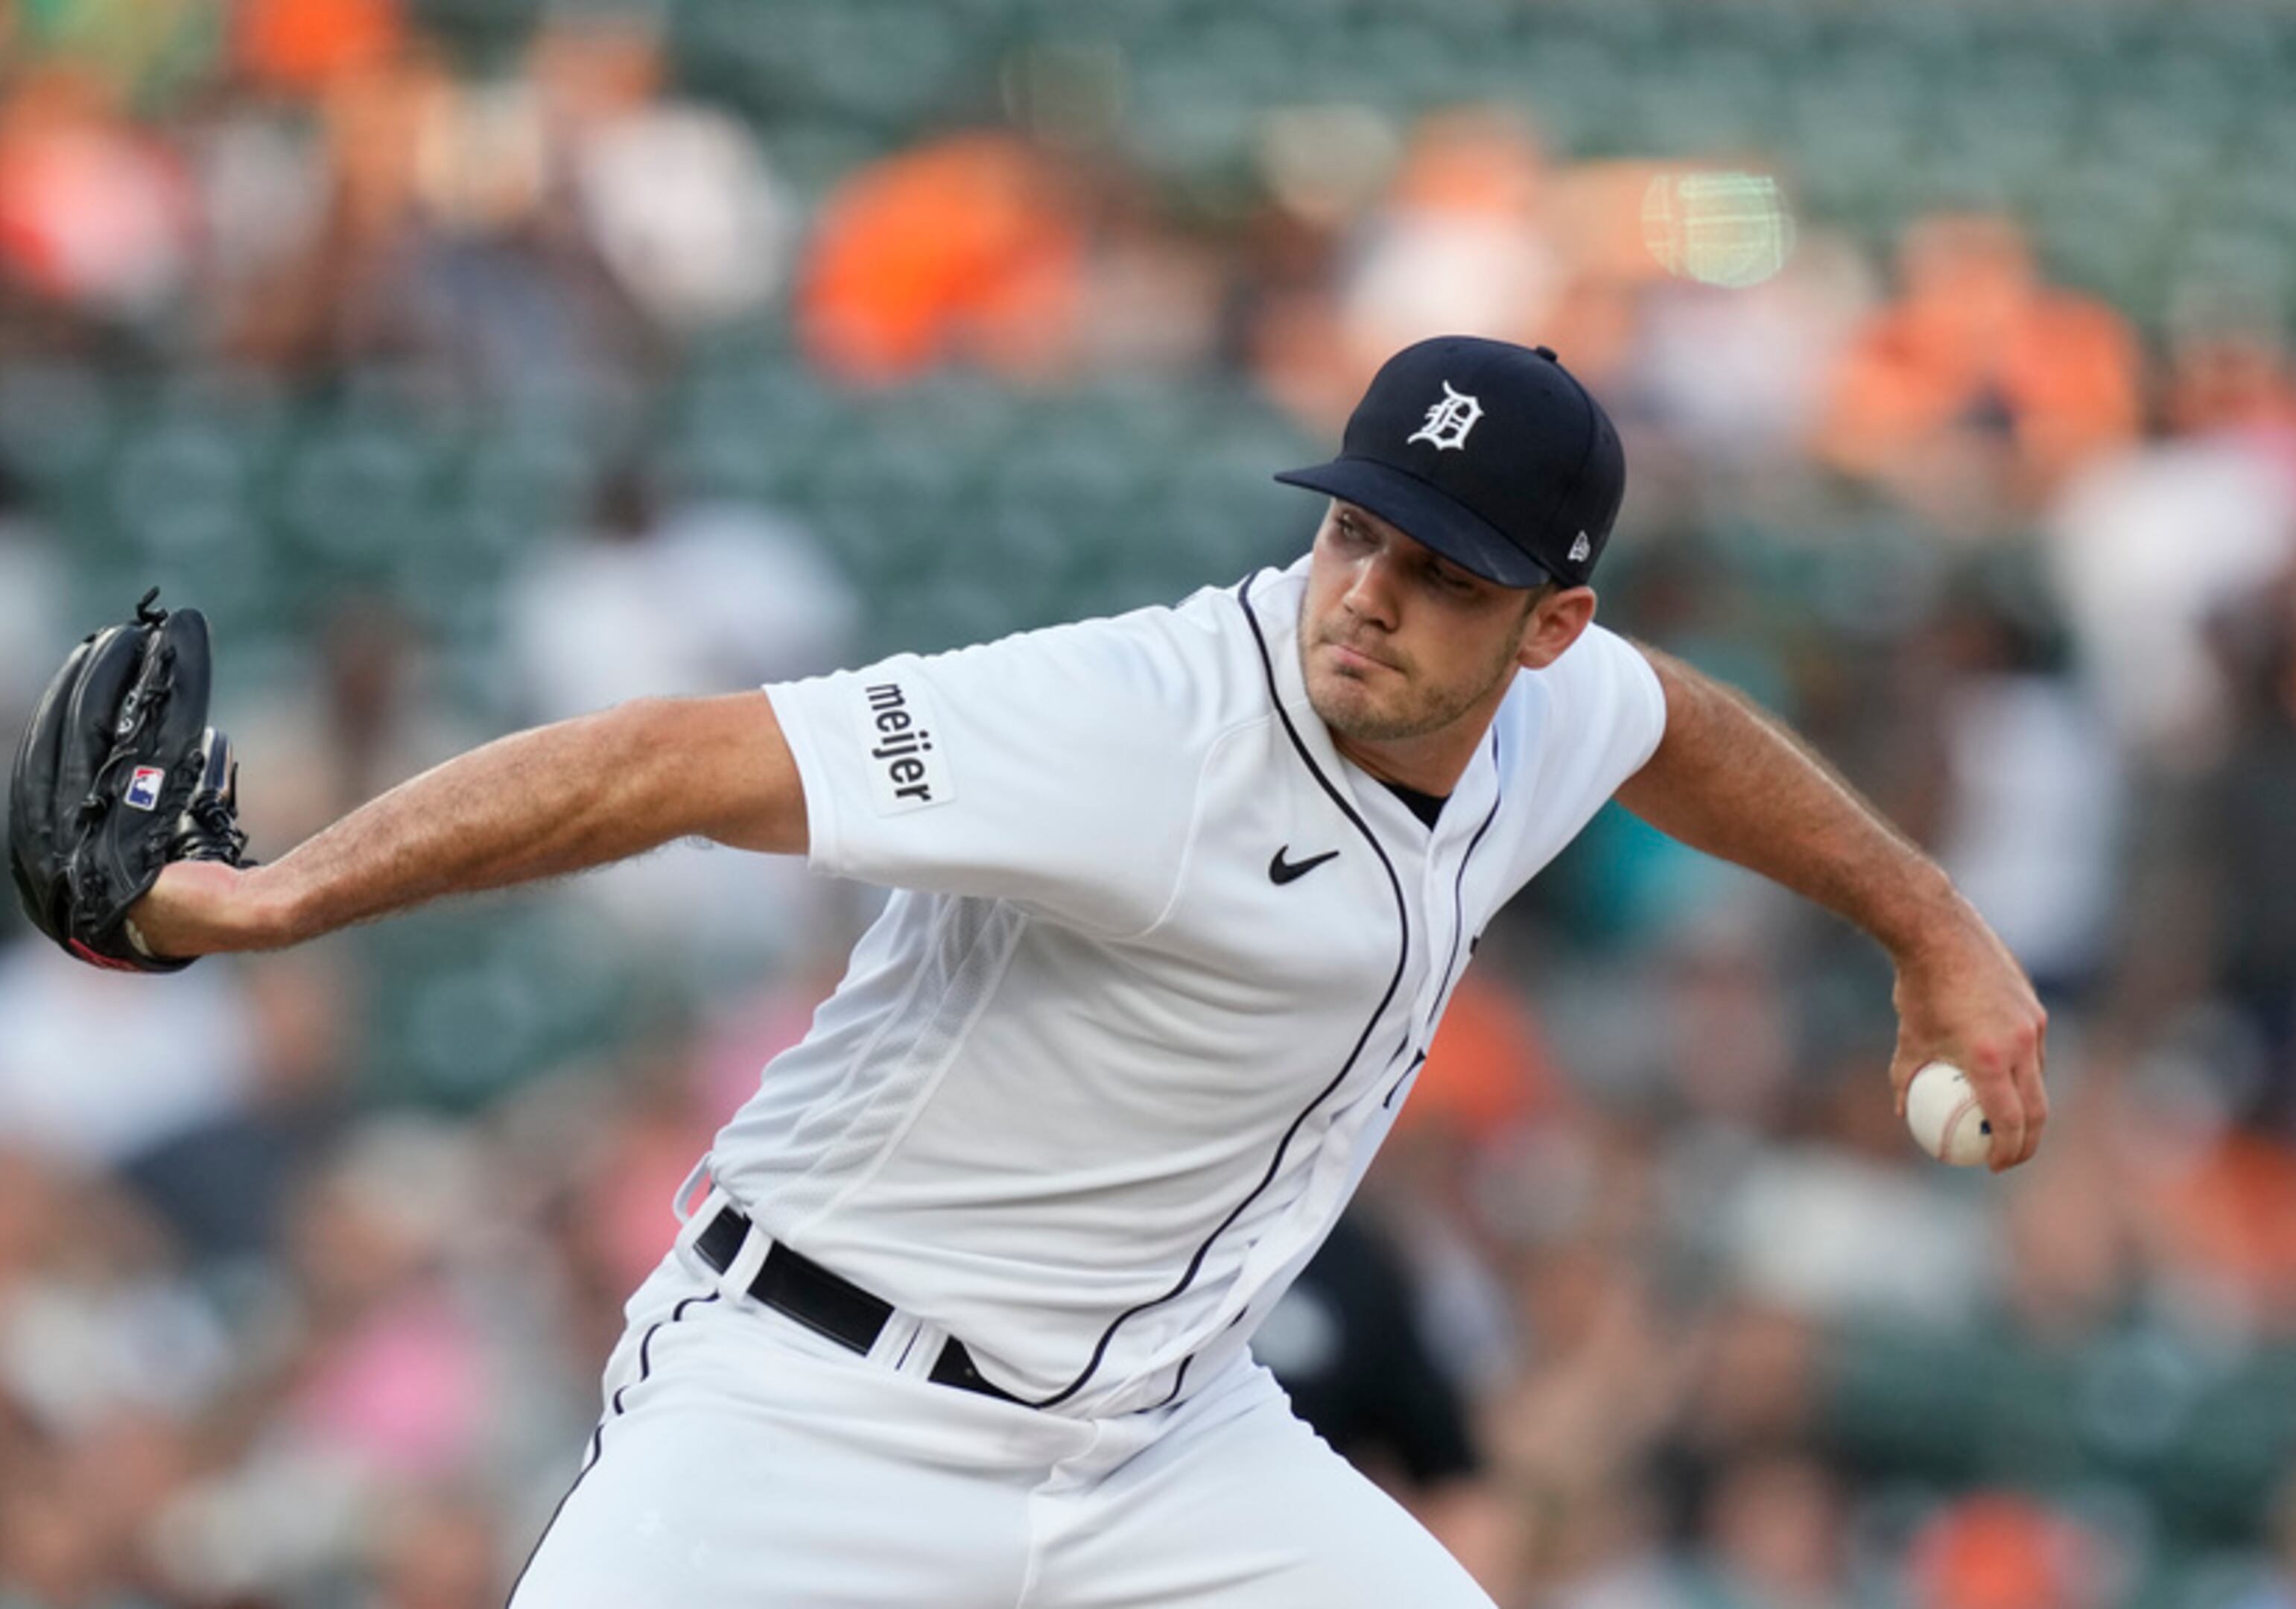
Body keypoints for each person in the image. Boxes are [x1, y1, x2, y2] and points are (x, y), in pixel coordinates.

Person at [130, 335, 2048, 1607]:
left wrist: (1930, 926)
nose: (1370, 594)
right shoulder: (1135, 724)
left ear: (1551, 622)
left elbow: (1683, 728)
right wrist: (280, 897)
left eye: (1443, 572)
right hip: (816, 1407)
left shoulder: (1559, 713)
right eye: (1358, 535)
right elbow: (667, 758)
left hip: (1162, 1449)